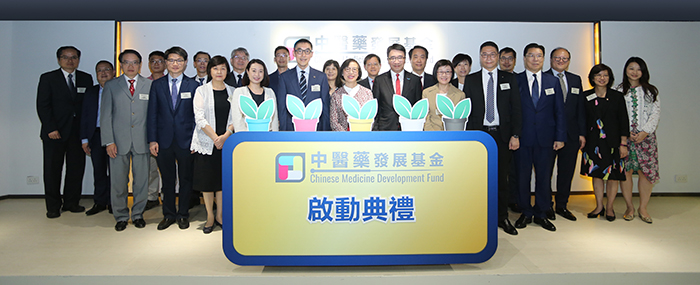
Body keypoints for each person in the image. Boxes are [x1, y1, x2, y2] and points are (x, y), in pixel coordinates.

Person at [463, 41, 521, 235]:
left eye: (492, 54)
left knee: (501, 179)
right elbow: (468, 112)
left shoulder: (509, 79)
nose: (488, 58)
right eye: (484, 54)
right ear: (480, 57)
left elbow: (516, 110)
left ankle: (502, 217)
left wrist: (515, 135)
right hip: (478, 136)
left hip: (502, 136)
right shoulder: (470, 80)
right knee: (478, 179)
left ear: (497, 57)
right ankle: (479, 217)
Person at [513, 43, 566, 232]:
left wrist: (560, 137)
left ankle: (542, 212)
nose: (535, 59)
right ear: (524, 58)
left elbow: (560, 111)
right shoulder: (515, 80)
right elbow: (511, 111)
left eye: (539, 56)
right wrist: (514, 135)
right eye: (531, 55)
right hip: (522, 138)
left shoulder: (552, 82)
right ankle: (525, 211)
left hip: (547, 138)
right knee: (522, 177)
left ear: (543, 59)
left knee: (544, 177)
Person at [36, 46, 93, 218]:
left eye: (74, 57)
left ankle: (71, 202)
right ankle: (53, 206)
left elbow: (88, 107)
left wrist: (86, 133)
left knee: (76, 169)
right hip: (55, 133)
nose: (70, 60)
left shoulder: (85, 78)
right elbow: (43, 106)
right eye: (65, 57)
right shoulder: (48, 78)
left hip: (77, 133)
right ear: (59, 59)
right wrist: (51, 128)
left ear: (78, 59)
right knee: (53, 170)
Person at [101, 49, 153, 231]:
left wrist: (153, 139)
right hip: (117, 142)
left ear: (140, 64)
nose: (131, 66)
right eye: (126, 62)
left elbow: (153, 116)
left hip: (142, 141)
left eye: (135, 62)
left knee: (141, 182)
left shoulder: (149, 85)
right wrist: (108, 141)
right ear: (120, 65)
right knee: (118, 182)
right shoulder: (111, 86)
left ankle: (138, 214)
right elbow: (105, 116)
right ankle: (121, 216)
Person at [147, 46, 198, 230]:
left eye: (179, 60)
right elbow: (152, 114)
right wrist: (152, 140)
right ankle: (168, 214)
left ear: (185, 63)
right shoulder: (157, 85)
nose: (175, 64)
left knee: (186, 180)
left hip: (186, 141)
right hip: (163, 141)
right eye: (171, 60)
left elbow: (196, 116)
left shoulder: (193, 86)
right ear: (166, 63)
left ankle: (183, 214)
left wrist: (195, 140)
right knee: (167, 180)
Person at [191, 55, 235, 234]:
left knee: (222, 182)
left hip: (227, 142)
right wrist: (216, 138)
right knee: (207, 182)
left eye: (223, 68)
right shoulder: (201, 91)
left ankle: (220, 216)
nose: (219, 72)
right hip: (207, 143)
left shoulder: (233, 91)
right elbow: (199, 118)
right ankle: (210, 215)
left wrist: (225, 136)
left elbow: (237, 118)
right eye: (216, 68)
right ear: (210, 70)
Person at [581, 64, 629, 222]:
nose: (602, 78)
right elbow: (581, 120)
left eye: (605, 75)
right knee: (597, 176)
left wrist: (623, 144)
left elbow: (623, 121)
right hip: (593, 142)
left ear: (610, 78)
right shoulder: (586, 96)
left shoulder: (617, 97)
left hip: (613, 143)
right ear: (592, 78)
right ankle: (599, 206)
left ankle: (610, 207)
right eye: (598, 75)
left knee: (613, 176)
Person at [615, 57, 660, 224]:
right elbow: (616, 115)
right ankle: (629, 207)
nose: (634, 72)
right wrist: (626, 135)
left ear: (643, 71)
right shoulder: (618, 90)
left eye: (638, 69)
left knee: (645, 173)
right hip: (624, 138)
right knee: (625, 172)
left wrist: (644, 132)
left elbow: (655, 114)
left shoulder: (651, 91)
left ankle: (643, 208)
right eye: (631, 68)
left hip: (646, 139)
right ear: (625, 70)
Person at [544, 47, 585, 221]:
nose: (561, 61)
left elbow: (580, 109)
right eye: (557, 58)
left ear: (569, 61)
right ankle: (546, 206)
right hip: (548, 134)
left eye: (565, 58)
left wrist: (582, 133)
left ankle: (562, 205)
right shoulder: (543, 78)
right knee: (545, 172)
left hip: (571, 134)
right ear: (551, 59)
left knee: (566, 172)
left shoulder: (575, 80)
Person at [80, 60, 115, 216]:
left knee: (116, 172)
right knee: (99, 171)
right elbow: (85, 116)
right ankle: (100, 202)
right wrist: (84, 139)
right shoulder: (91, 92)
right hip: (96, 135)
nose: (103, 73)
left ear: (113, 72)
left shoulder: (119, 90)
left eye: (107, 69)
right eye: (99, 70)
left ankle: (115, 203)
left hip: (115, 136)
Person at [277, 39, 331, 131]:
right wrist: (283, 132)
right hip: (292, 130)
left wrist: (324, 132)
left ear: (311, 54)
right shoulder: (284, 77)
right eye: (299, 51)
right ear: (294, 53)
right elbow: (282, 108)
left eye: (307, 51)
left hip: (315, 129)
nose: (303, 55)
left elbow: (325, 108)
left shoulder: (321, 77)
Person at [372, 44, 422, 131]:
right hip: (385, 129)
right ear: (388, 60)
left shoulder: (415, 80)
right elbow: (376, 108)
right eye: (393, 58)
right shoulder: (379, 80)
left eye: (400, 58)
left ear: (405, 59)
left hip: (409, 128)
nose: (396, 62)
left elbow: (418, 106)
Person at [231, 59, 279, 131]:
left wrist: (274, 138)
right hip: (246, 138)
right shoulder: (239, 92)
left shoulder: (270, 92)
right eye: (254, 71)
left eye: (260, 71)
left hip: (267, 137)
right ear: (247, 72)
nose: (257, 74)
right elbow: (237, 121)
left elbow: (274, 119)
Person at [145, 50, 166, 211]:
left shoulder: (170, 83)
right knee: (151, 168)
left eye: (160, 61)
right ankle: (152, 196)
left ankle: (168, 195)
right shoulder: (143, 84)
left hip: (169, 134)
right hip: (150, 133)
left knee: (169, 168)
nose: (157, 64)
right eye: (153, 61)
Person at [330, 58, 374, 131]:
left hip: (363, 135)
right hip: (343, 138)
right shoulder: (336, 95)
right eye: (347, 69)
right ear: (342, 73)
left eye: (354, 69)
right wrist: (346, 136)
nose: (351, 72)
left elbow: (371, 117)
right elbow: (334, 121)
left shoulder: (367, 93)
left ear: (359, 73)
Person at [423, 60, 465, 131]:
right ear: (436, 73)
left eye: (447, 72)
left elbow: (460, 119)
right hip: (432, 133)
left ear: (452, 74)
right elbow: (426, 116)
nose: (444, 75)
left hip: (452, 134)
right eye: (441, 72)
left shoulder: (460, 94)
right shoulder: (427, 93)